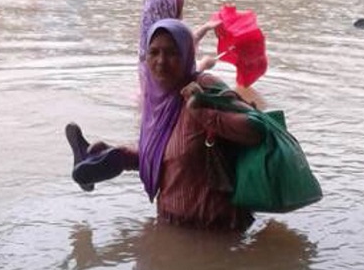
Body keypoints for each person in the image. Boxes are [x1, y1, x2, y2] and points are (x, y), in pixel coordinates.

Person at [70, 19, 262, 232]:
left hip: (216, 231)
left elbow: (256, 131)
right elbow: (170, 159)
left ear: (187, 55)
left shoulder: (205, 87)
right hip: (170, 225)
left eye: (172, 53)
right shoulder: (156, 101)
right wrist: (124, 157)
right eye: (154, 52)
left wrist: (202, 112)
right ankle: (93, 159)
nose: (161, 61)